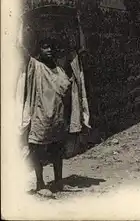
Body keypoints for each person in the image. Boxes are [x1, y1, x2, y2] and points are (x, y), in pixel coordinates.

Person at [18, 14, 90, 197]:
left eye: (51, 47)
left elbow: (76, 53)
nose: (49, 50)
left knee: (58, 149)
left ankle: (58, 181)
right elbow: (21, 49)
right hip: (40, 116)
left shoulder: (59, 69)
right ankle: (40, 183)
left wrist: (76, 25)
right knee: (38, 150)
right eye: (44, 47)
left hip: (57, 116)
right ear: (39, 49)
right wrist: (21, 25)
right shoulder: (35, 66)